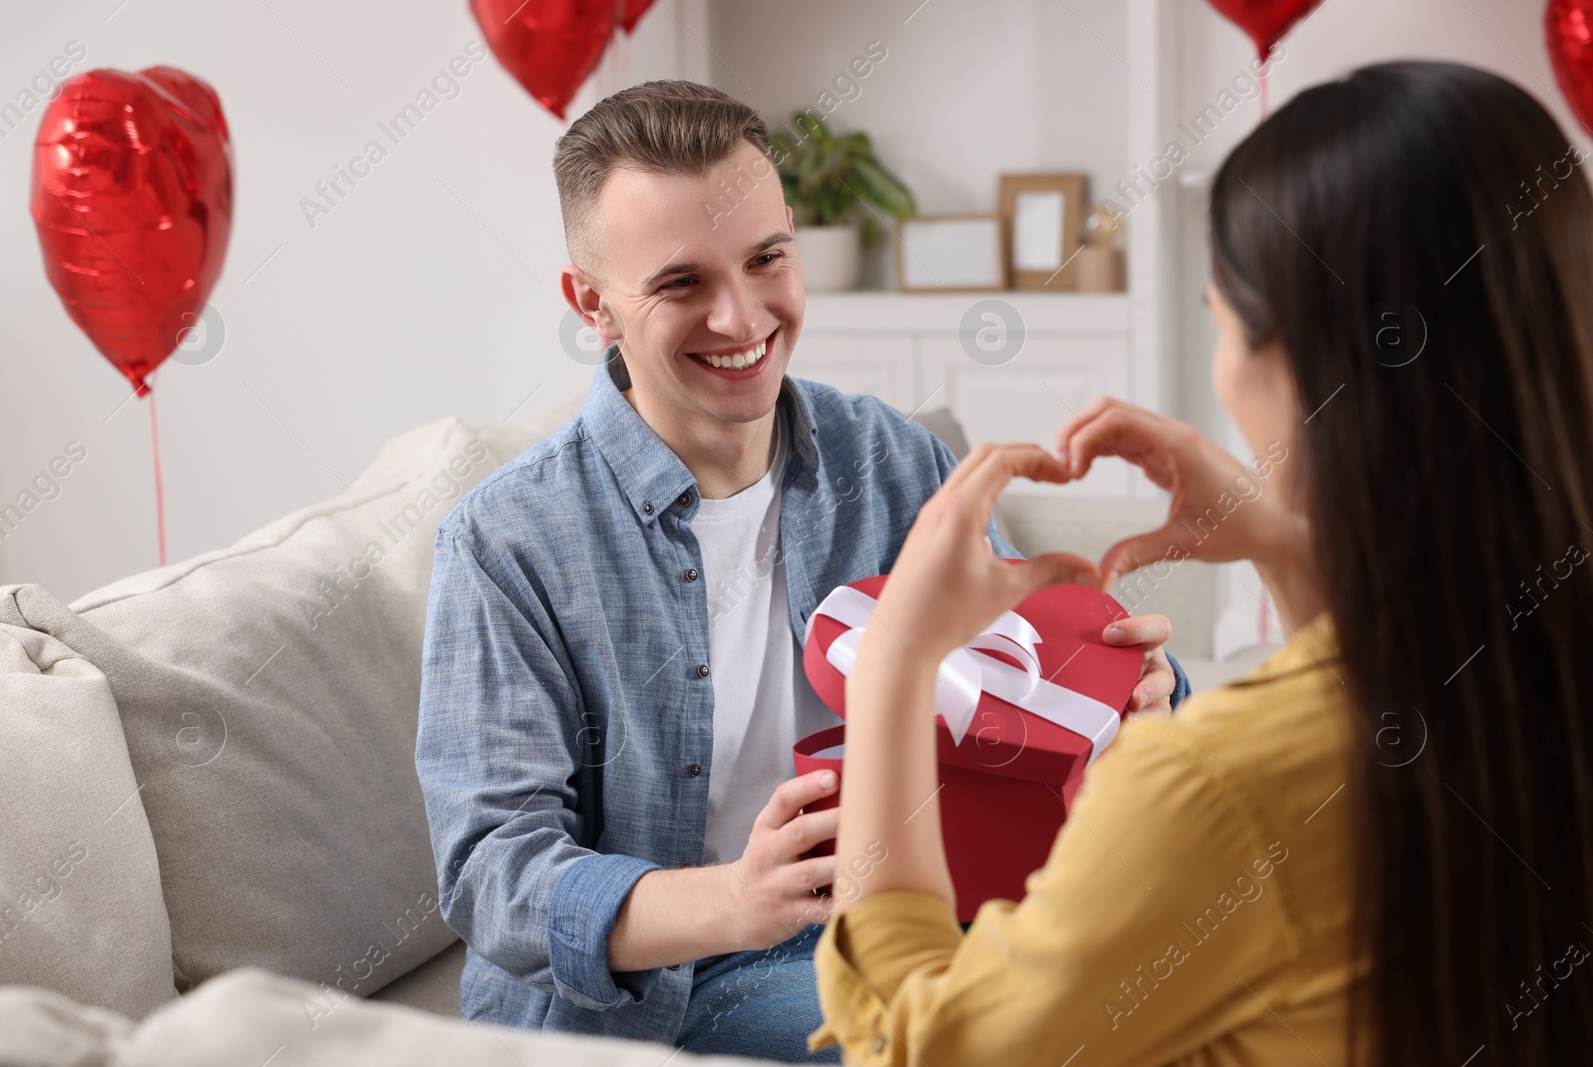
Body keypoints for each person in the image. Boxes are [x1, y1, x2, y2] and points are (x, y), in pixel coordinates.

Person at [810, 60, 1593, 1067]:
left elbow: (923, 1050)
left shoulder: (1216, 786)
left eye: (1218, 320)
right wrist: (1284, 538)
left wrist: (893, 668)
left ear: (1301, 365)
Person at [414, 80, 1187, 1063]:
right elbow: (493, 872)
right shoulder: (506, 541)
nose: (741, 317)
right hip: (676, 980)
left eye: (766, 258)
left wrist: (1125, 698)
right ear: (592, 304)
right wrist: (735, 896)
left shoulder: (892, 459)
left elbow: (1006, 692)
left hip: (915, 911)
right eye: (681, 283)